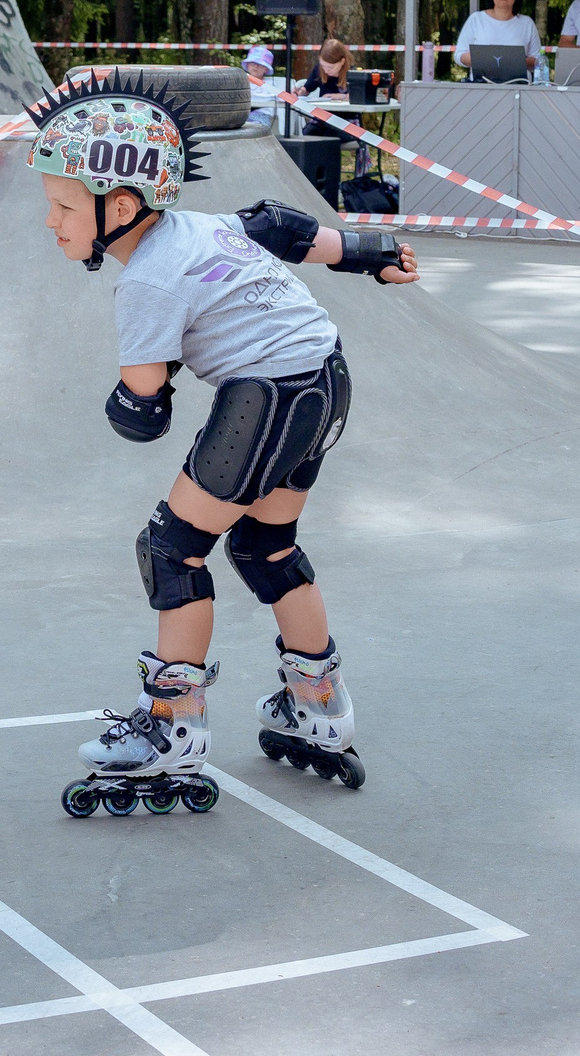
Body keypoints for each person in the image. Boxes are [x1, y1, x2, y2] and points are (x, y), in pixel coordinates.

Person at [27, 72, 419, 816]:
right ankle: (321, 709)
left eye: (61, 205)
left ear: (119, 205)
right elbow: (287, 229)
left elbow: (141, 416)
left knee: (174, 549)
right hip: (325, 377)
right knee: (265, 547)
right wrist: (377, 249)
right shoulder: (205, 224)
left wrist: (144, 384)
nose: (49, 220)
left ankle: (172, 726)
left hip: (267, 393)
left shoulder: (146, 282)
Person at [452, 0, 542, 78]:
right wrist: (481, 60)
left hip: (518, 86)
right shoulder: (476, 19)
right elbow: (459, 55)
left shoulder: (527, 23)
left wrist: (515, 62)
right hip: (482, 85)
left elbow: (538, 59)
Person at [300, 35, 352, 138]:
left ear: (342, 61)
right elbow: (306, 89)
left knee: (329, 135)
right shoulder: (319, 70)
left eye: (330, 67)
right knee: (309, 133)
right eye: (323, 66)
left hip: (347, 122)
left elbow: (359, 97)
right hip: (322, 118)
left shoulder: (353, 73)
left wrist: (339, 96)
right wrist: (299, 92)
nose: (326, 70)